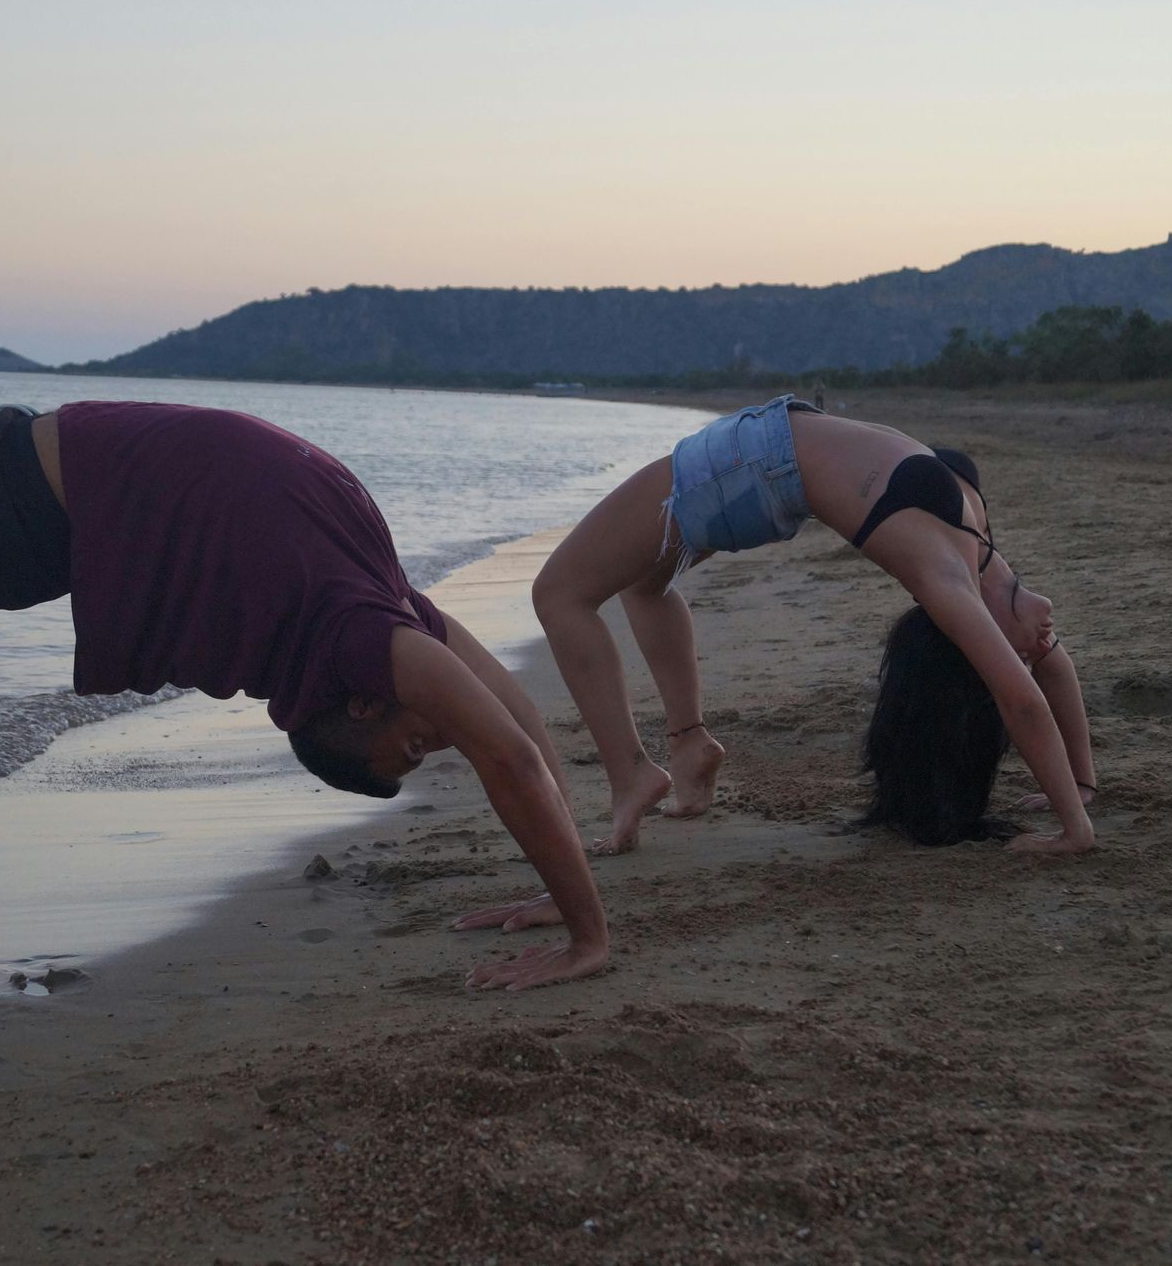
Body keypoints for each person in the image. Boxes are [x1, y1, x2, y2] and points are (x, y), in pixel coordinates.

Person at [0, 401, 609, 1025]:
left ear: (355, 704)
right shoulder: (379, 607)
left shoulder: (358, 631)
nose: (438, 733)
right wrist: (563, 905)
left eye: (413, 745)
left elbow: (506, 754)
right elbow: (517, 740)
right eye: (420, 747)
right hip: (15, 507)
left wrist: (584, 935)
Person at [465, 393, 1095, 942]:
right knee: (644, 583)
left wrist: (1074, 829)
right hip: (767, 460)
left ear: (972, 643)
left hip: (755, 462)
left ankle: (634, 774)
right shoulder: (978, 538)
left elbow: (1022, 703)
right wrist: (1083, 784)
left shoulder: (950, 574)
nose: (1039, 643)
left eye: (1016, 654)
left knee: (559, 594)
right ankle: (687, 748)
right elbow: (1049, 671)